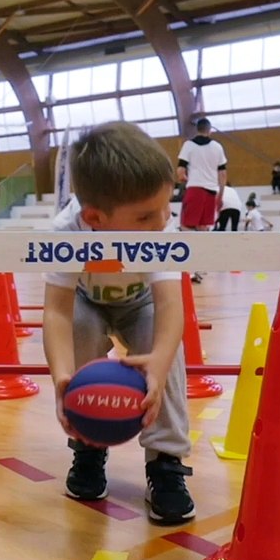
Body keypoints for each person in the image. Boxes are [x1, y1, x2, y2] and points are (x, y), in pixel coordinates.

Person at [42, 122, 194, 527]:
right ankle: (87, 445)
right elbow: (56, 311)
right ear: (95, 217)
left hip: (139, 302)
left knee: (163, 349)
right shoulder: (66, 232)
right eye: (146, 215)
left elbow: (169, 305)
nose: (162, 220)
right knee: (79, 326)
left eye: (166, 206)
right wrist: (62, 379)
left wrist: (158, 368)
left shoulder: (163, 228)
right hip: (87, 301)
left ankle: (166, 462)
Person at [176, 118, 227, 283]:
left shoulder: (189, 145)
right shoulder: (217, 147)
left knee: (186, 227)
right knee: (203, 229)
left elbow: (180, 171)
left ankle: (189, 269)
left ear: (197, 129)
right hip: (211, 191)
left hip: (195, 188)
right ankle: (200, 267)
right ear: (209, 129)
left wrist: (184, 178)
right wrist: (221, 193)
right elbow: (223, 174)